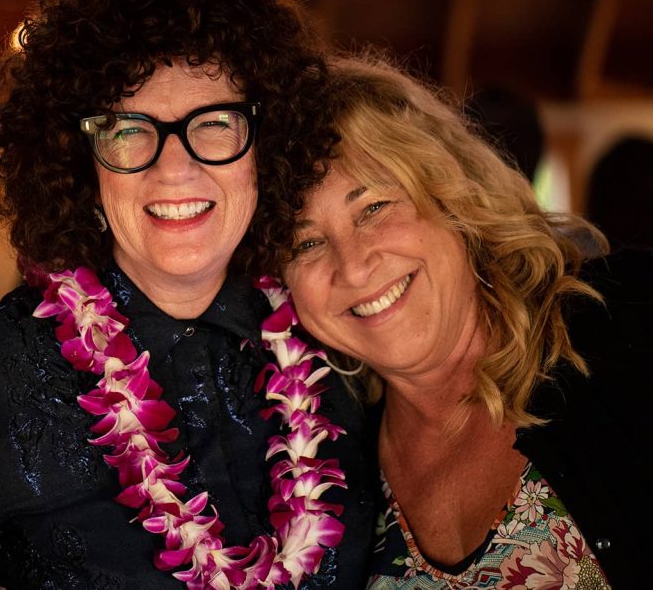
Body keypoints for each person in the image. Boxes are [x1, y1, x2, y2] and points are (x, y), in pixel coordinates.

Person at [0, 0, 373, 589]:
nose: (174, 169)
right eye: (128, 129)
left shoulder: (340, 343)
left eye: (214, 123)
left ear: (268, 148)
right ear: (78, 163)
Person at [271, 55, 649, 588]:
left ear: (454, 201)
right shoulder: (319, 456)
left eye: (375, 207)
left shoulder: (627, 325)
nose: (353, 265)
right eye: (306, 242)